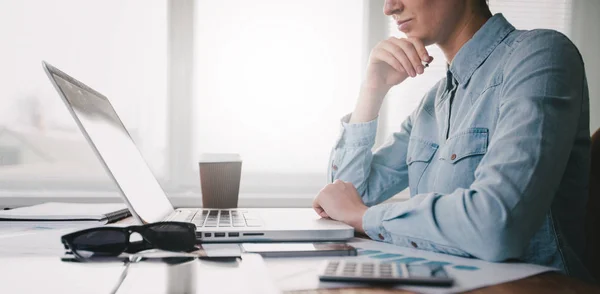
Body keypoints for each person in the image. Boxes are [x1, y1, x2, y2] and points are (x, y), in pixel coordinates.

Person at [312, 0, 592, 281]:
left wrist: (364, 217)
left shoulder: (541, 55)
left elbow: (496, 226)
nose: (389, 8)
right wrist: (372, 90)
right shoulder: (432, 103)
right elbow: (343, 198)